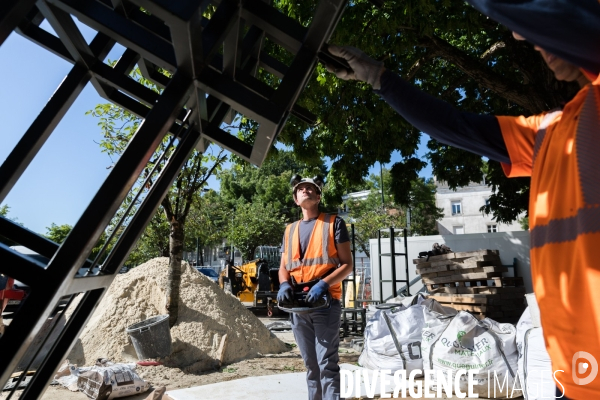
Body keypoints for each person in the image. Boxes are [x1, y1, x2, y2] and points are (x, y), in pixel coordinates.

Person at [326, 25, 599, 400]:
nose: (524, 37)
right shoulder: (552, 131)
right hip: (576, 375)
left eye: (544, 10)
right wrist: (379, 79)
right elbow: (458, 127)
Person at [278, 175, 353, 400]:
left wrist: (323, 284)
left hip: (325, 302)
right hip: (298, 307)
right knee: (311, 366)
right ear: (295, 199)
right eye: (301, 189)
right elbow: (283, 266)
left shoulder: (334, 223)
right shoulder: (289, 230)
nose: (306, 190)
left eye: (311, 188)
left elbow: (348, 264)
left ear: (318, 196)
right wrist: (283, 283)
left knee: (327, 364)